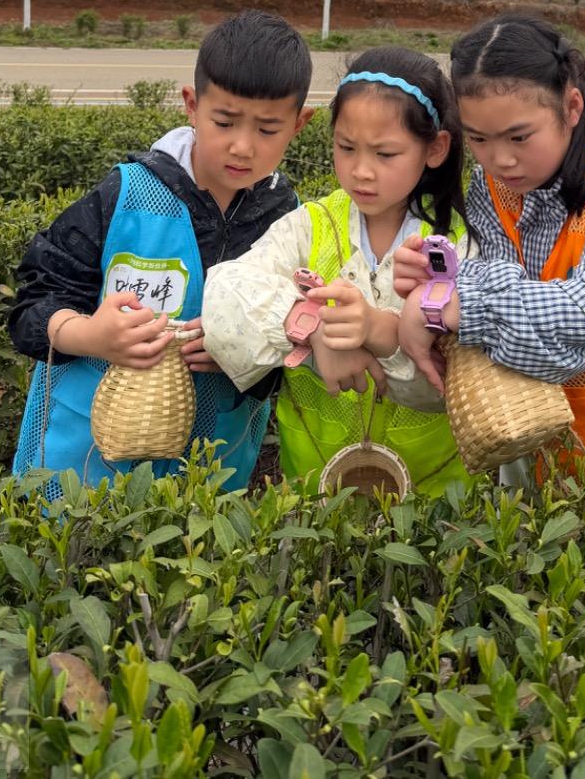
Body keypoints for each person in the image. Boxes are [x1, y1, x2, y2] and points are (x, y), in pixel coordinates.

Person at [9, 10, 313, 499]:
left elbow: (296, 346)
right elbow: (32, 307)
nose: (242, 146)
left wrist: (246, 356)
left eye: (267, 129)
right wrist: (91, 336)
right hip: (81, 474)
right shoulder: (127, 196)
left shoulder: (290, 221)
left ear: (299, 124)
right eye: (224, 122)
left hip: (210, 475)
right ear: (192, 105)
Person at [395, 14, 585, 472]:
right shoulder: (494, 186)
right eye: (479, 139)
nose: (501, 159)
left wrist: (456, 304)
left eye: (519, 137)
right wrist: (442, 277)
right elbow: (496, 272)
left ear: (571, 107)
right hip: (522, 419)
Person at [202, 48, 473, 495]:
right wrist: (310, 331)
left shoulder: (454, 246)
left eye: (385, 154)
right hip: (310, 490)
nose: (361, 171)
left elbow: (464, 382)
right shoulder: (311, 226)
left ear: (435, 148)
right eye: (346, 148)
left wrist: (381, 332)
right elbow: (224, 294)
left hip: (433, 500)